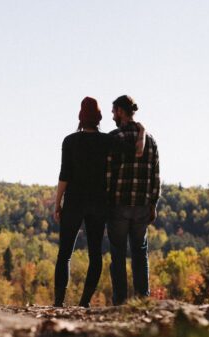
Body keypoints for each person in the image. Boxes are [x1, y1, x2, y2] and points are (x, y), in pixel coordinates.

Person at [53, 96, 145, 307]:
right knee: (95, 255)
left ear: (80, 117)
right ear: (99, 118)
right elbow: (135, 151)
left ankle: (58, 303)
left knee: (65, 254)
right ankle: (84, 303)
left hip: (74, 202)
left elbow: (64, 175)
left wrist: (57, 203)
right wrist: (141, 130)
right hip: (98, 204)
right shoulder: (108, 141)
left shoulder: (70, 141)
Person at [106, 95, 160, 305]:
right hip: (141, 206)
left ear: (120, 111)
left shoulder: (114, 138)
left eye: (113, 111)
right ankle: (142, 300)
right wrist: (153, 204)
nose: (112, 115)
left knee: (118, 253)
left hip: (119, 205)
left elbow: (108, 174)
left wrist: (107, 201)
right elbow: (156, 175)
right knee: (140, 253)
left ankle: (120, 301)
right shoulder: (151, 141)